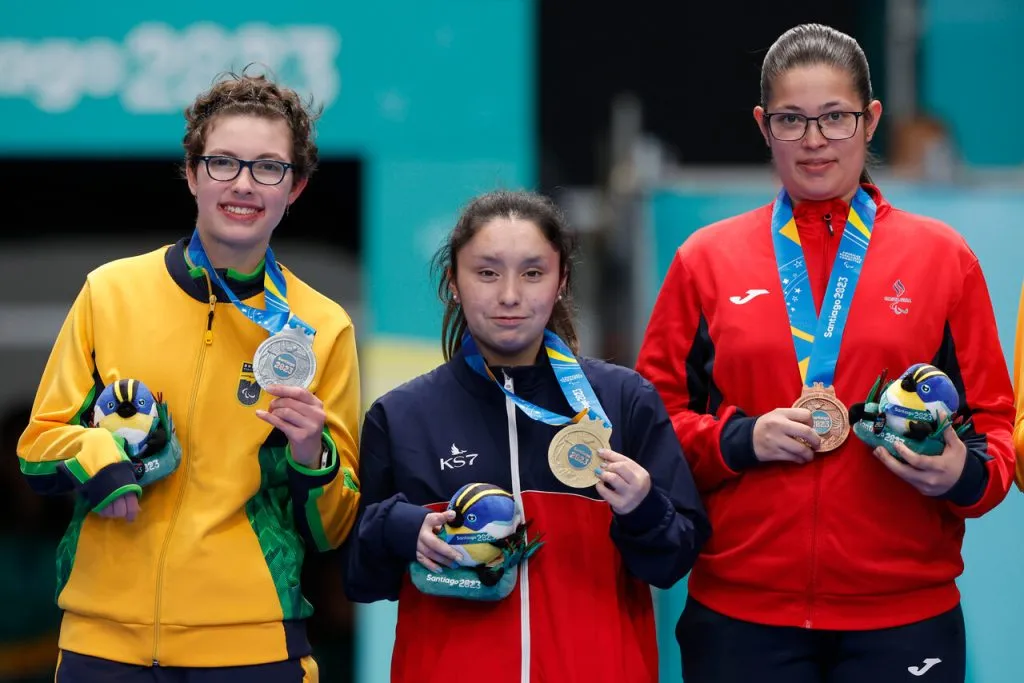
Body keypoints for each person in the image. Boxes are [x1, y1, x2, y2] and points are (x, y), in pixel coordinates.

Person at [636, 23, 1015, 683]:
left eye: (835, 117)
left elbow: (994, 430)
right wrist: (740, 440)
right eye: (792, 119)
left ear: (871, 120)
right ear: (764, 126)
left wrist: (961, 472)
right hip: (742, 615)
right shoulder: (706, 260)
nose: (814, 140)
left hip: (904, 617)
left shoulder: (943, 259)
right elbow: (651, 428)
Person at [17, 71, 360, 681]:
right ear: (192, 173)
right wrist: (100, 454)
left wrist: (313, 454)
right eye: (223, 162)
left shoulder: (322, 326)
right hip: (104, 644)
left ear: (296, 188)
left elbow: (332, 528)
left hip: (251, 649)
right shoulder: (110, 292)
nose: (243, 184)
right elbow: (36, 448)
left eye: (268, 168)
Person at [341, 190, 709, 682]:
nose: (510, 295)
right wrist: (399, 528)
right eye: (487, 273)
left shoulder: (624, 401)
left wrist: (643, 509)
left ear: (562, 281)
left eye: (533, 273)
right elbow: (360, 580)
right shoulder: (403, 415)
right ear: (453, 282)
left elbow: (672, 564)